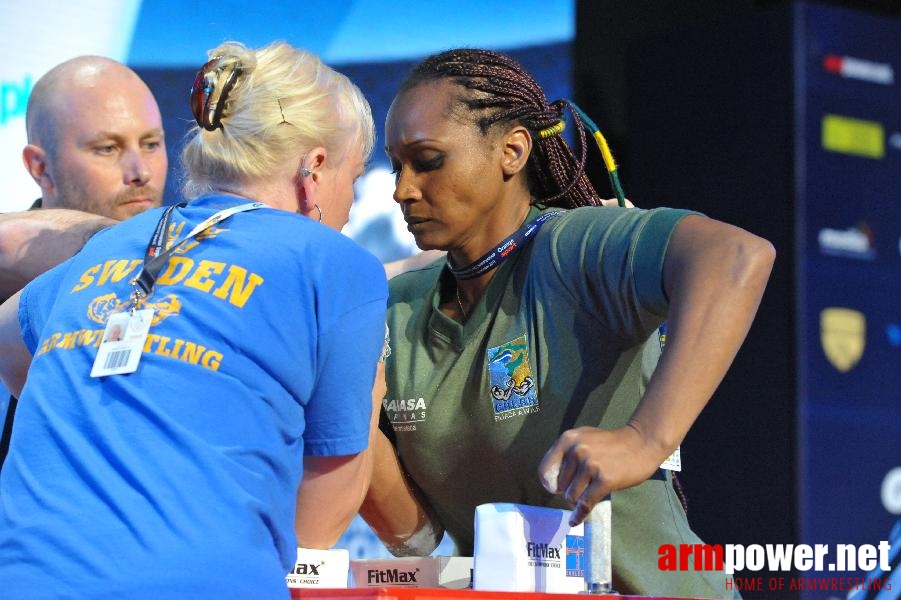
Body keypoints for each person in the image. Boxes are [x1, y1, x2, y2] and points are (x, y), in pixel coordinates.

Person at [360, 48, 775, 598]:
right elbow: (413, 539)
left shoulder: (570, 248)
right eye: (396, 165)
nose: (402, 189)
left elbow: (738, 256)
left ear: (512, 151)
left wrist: (643, 438)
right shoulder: (399, 308)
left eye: (428, 160)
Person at [0, 41, 387, 598]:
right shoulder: (339, 265)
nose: (350, 207)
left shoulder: (113, 247)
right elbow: (320, 516)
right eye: (353, 177)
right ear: (314, 169)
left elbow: (11, 341)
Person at [0, 55, 168, 468]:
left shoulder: (196, 276)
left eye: (151, 143)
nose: (140, 171)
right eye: (107, 148)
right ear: (39, 166)